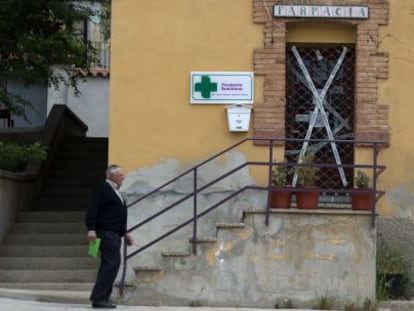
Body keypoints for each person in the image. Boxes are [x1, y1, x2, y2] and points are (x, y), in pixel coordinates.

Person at [86, 164, 133, 309]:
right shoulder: (103, 188)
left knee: (110, 264)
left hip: (114, 233)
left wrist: (124, 233)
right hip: (105, 232)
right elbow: (93, 209)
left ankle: (102, 297)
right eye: (120, 175)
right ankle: (99, 298)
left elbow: (116, 214)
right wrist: (91, 229)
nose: (123, 178)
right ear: (110, 175)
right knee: (112, 263)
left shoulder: (115, 191)